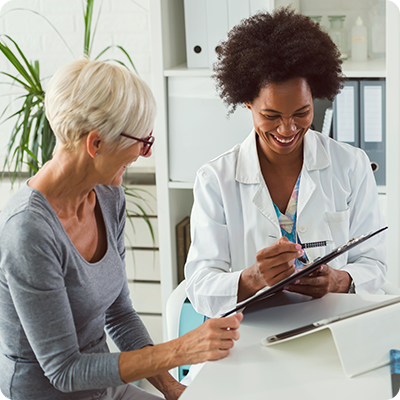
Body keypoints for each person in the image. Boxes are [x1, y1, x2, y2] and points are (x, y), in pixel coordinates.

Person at [0, 58, 243, 400]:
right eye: (142, 141)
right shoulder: (27, 230)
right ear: (95, 144)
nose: (145, 152)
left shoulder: (108, 195)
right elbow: (64, 371)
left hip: (104, 390)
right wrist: (181, 350)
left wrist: (171, 388)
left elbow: (119, 312)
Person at [185, 8, 386, 319]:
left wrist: (338, 280)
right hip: (250, 336)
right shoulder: (216, 179)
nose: (287, 129)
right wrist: (252, 278)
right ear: (247, 102)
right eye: (271, 116)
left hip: (335, 329)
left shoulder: (351, 165)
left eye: (301, 113)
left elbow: (376, 266)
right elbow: (199, 287)